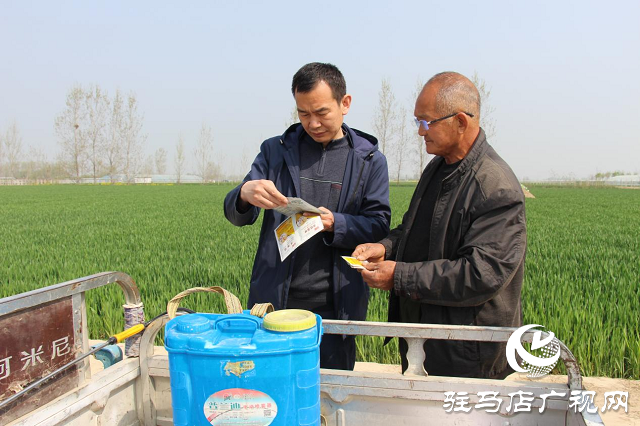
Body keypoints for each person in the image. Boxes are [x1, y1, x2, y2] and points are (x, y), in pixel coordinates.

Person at [352, 72, 526, 379]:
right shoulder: (438, 167)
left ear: (461, 122)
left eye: (427, 122)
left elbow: (481, 274)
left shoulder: (495, 187)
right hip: (426, 340)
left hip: (468, 352)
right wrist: (384, 247)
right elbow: (414, 228)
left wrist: (399, 276)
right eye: (417, 121)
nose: (420, 131)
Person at [224, 62, 391, 370]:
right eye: (303, 113)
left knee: (329, 393)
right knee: (272, 389)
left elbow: (379, 223)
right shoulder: (276, 152)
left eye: (321, 112)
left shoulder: (369, 161)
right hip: (275, 302)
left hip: (335, 304)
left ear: (345, 104)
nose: (312, 123)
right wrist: (245, 194)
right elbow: (236, 212)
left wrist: (335, 223)